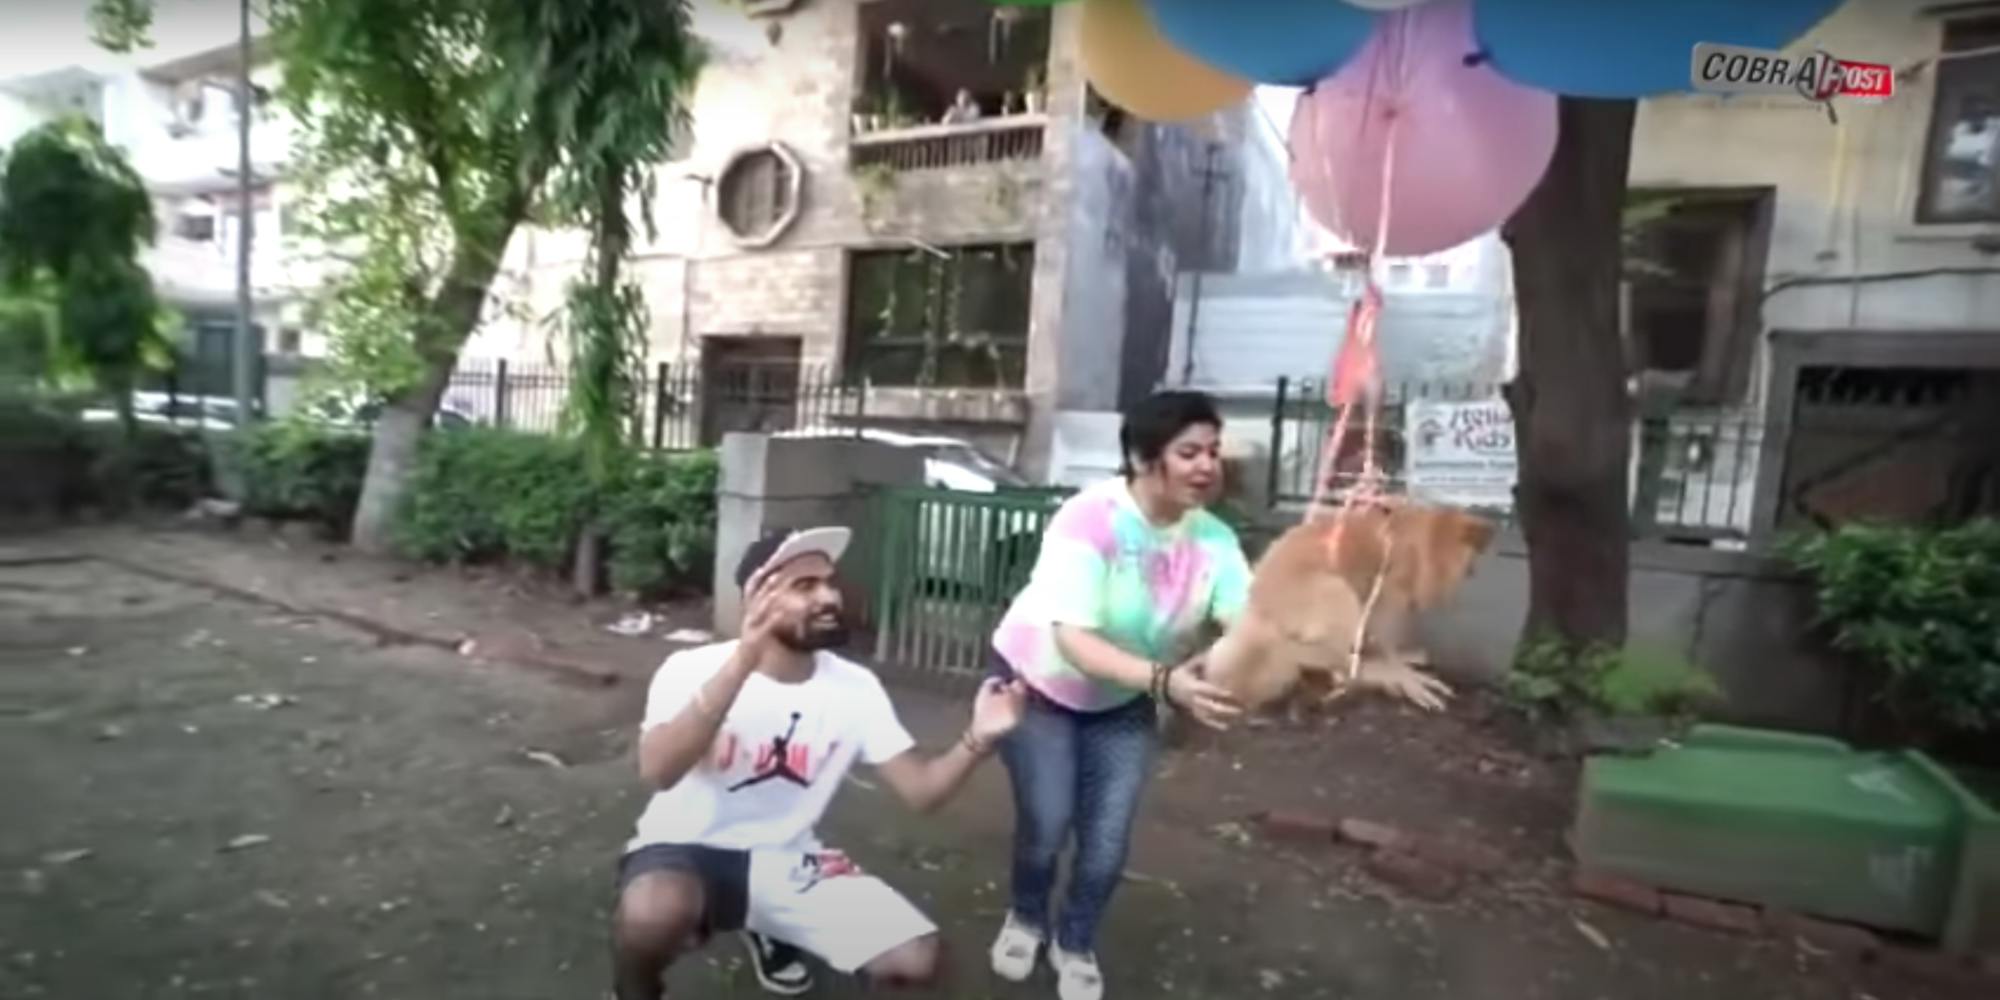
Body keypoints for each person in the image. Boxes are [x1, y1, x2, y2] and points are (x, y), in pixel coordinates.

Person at [611, 526, 1028, 1000]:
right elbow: (659, 771)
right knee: (654, 912)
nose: (830, 596)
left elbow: (922, 792)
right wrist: (743, 661)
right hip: (683, 848)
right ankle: (634, 992)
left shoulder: (856, 688)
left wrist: (980, 738)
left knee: (915, 960)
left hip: (788, 858)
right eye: (805, 587)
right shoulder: (690, 668)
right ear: (756, 601)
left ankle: (769, 923)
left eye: (830, 582)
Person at [984, 391, 1251, 1000]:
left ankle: (1074, 941)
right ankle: (1026, 915)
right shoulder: (1088, 520)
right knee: (1047, 825)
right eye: (1189, 452)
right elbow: (1075, 640)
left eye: (1213, 451)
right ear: (1140, 455)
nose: (1208, 465)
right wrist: (1168, 684)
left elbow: (1247, 619)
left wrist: (1258, 643)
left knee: (1106, 841)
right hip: (1041, 685)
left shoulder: (1213, 539)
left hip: (1123, 700)